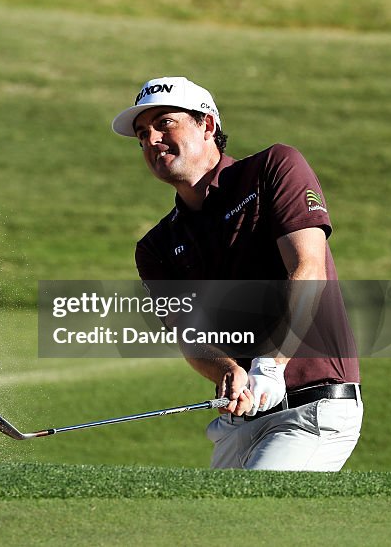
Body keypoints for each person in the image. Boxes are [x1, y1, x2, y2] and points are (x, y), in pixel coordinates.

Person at [111, 76, 363, 471]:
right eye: (142, 134)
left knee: (254, 521)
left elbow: (308, 267)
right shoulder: (156, 246)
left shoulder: (272, 168)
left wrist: (269, 364)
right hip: (236, 423)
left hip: (309, 410)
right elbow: (189, 336)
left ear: (206, 125)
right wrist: (227, 369)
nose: (151, 139)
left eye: (165, 123)